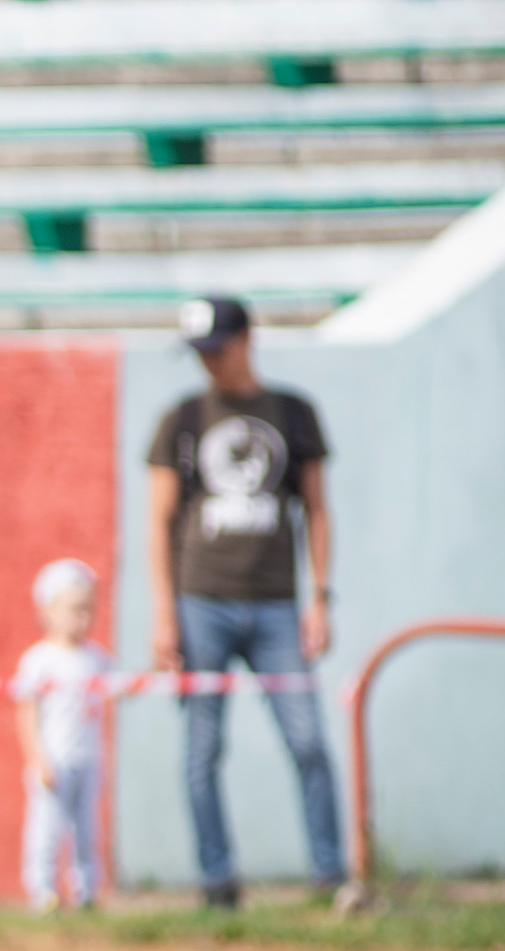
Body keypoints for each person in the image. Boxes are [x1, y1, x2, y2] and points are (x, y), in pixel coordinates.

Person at [146, 296, 349, 911]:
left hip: (276, 608)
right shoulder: (181, 419)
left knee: (308, 740)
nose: (208, 364)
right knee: (202, 751)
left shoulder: (292, 412)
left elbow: (315, 509)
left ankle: (331, 877)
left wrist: (319, 597)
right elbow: (159, 523)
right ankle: (217, 883)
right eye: (199, 354)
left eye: (217, 349)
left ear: (245, 341)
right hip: (200, 602)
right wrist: (164, 615)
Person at [13, 558, 112, 914]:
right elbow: (26, 711)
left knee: (88, 830)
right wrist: (37, 759)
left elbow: (120, 688)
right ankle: (42, 892)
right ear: (48, 610)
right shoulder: (38, 660)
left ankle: (86, 891)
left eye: (88, 609)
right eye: (72, 609)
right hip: (53, 761)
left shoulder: (97, 659)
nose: (81, 618)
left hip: (89, 759)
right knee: (46, 830)